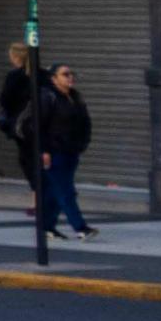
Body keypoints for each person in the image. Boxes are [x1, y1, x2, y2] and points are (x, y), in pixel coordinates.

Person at [26, 63, 98, 240]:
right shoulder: (47, 97)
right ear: (54, 78)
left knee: (53, 191)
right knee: (66, 191)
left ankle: (46, 226)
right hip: (53, 152)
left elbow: (84, 123)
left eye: (71, 74)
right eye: (65, 74)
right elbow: (37, 127)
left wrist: (83, 143)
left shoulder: (74, 97)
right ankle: (80, 227)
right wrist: (44, 150)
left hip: (71, 151)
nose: (70, 77)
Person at [0, 41, 44, 226]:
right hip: (42, 125)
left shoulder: (15, 76)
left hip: (23, 127)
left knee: (28, 161)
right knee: (38, 160)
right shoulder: (42, 74)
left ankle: (37, 200)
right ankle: (40, 199)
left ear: (15, 57)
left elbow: (5, 100)